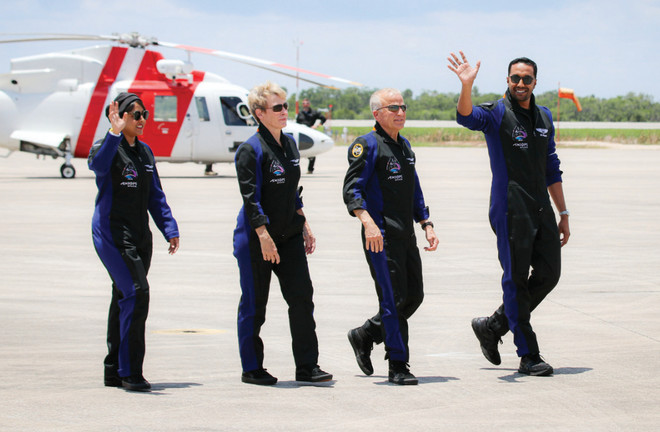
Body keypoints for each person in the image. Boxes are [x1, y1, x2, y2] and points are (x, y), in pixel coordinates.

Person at [447, 51, 570, 376]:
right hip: (510, 210)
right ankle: (528, 354)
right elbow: (466, 116)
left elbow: (552, 167)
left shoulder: (544, 117)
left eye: (526, 79)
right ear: (507, 80)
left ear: (535, 82)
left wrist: (564, 212)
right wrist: (466, 86)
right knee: (515, 280)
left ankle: (493, 325)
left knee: (549, 274)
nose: (520, 83)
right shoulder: (497, 113)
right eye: (515, 78)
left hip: (541, 209)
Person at [233, 81, 332, 386]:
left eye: (285, 105)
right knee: (255, 305)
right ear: (259, 113)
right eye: (277, 107)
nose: (284, 111)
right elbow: (251, 198)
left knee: (302, 298)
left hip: (289, 237)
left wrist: (304, 223)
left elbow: (292, 192)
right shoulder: (250, 150)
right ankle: (252, 368)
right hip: (257, 240)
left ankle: (307, 366)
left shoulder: (289, 145)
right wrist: (263, 236)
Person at [343, 88, 439, 385]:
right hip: (380, 236)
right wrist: (367, 223)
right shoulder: (366, 145)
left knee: (414, 296)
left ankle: (366, 333)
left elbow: (414, 187)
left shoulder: (404, 145)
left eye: (403, 107)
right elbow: (352, 189)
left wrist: (425, 222)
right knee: (393, 300)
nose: (400, 112)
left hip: (405, 234)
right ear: (377, 113)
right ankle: (398, 364)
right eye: (393, 108)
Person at [89, 92, 180, 391]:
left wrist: (169, 227)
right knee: (137, 293)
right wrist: (114, 133)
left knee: (124, 296)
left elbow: (155, 195)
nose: (142, 120)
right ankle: (131, 372)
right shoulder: (107, 146)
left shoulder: (145, 153)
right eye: (136, 115)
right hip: (113, 235)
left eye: (145, 115)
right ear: (120, 116)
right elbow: (98, 166)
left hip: (140, 236)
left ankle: (113, 370)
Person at [295, 98, 326, 174]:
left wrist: (317, 125)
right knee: (298, 152)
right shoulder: (300, 113)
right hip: (301, 134)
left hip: (309, 133)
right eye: (304, 103)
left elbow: (323, 118)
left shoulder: (314, 112)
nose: (305, 105)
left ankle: (310, 169)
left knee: (312, 152)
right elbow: (296, 123)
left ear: (309, 104)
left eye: (307, 103)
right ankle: (296, 169)